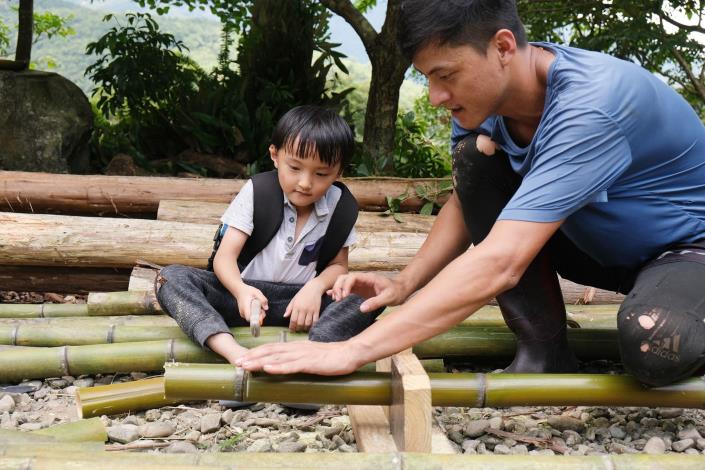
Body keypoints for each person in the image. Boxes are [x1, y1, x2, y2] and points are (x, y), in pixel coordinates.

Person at [236, 0, 705, 387]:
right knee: (476, 161)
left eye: (446, 75)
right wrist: (405, 283)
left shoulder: (592, 107)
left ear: (502, 47)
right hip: (600, 248)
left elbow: (500, 260)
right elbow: (468, 200)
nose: (437, 96)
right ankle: (544, 353)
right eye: (428, 79)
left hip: (686, 253)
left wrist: (354, 350)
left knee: (654, 344)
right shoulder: (485, 104)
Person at [156, 105, 379, 365]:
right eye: (295, 168)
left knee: (368, 294)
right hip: (243, 298)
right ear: (275, 155)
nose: (305, 183)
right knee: (170, 278)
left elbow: (339, 266)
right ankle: (231, 350)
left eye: (321, 174)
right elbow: (224, 258)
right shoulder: (257, 192)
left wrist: (315, 289)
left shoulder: (341, 206)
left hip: (299, 304)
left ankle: (313, 354)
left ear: (339, 172)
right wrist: (240, 290)